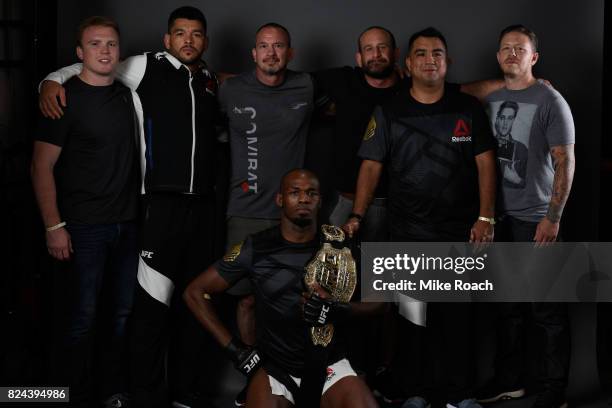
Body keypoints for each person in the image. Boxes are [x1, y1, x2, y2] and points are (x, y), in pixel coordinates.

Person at [39, 6, 221, 408]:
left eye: (195, 34)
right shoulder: (143, 67)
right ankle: (140, 395)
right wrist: (51, 79)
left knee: (190, 303)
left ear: (204, 41)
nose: (187, 40)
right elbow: (94, 67)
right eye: (179, 33)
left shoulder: (208, 80)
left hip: (198, 212)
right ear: (166, 39)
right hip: (156, 208)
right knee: (141, 311)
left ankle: (183, 393)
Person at [343, 27, 497, 408]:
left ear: (448, 62)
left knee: (457, 322)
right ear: (408, 64)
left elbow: (486, 166)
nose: (431, 59)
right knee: (413, 320)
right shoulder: (389, 111)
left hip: (460, 234)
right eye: (422, 54)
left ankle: (459, 396)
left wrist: (486, 218)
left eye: (438, 53)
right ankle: (415, 392)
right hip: (408, 232)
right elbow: (370, 167)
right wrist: (357, 215)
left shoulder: (468, 109)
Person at [184, 169, 379, 408]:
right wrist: (237, 352)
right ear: (280, 199)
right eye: (295, 192)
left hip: (329, 364)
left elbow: (382, 304)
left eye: (311, 193)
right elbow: (195, 292)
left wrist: (338, 309)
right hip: (276, 369)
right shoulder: (255, 247)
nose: (304, 199)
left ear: (320, 201)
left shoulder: (340, 244)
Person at [31, 16, 139, 408]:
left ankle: (110, 392)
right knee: (81, 320)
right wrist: (53, 226)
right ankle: (68, 396)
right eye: (95, 44)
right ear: (79, 54)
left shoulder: (129, 94)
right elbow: (40, 166)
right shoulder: (62, 98)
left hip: (127, 225)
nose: (105, 50)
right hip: (82, 228)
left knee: (121, 315)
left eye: (110, 43)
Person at [477, 25, 575, 408]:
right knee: (508, 309)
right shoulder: (490, 95)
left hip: (536, 221)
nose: (512, 54)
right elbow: (452, 89)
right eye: (506, 49)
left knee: (547, 311)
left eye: (521, 49)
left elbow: (565, 162)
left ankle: (554, 391)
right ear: (498, 56)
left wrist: (553, 218)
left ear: (534, 57)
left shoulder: (551, 99)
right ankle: (510, 380)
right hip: (498, 220)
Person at [219, 22, 314, 405]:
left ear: (290, 53)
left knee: (294, 301)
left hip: (293, 214)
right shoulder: (230, 89)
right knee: (246, 300)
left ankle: (292, 375)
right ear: (253, 53)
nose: (271, 53)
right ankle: (255, 373)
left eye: (279, 47)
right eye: (263, 46)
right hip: (244, 211)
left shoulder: (307, 85)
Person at [493, 100, 528, 188]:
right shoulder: (485, 144)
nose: (505, 123)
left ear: (513, 121)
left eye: (509, 118)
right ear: (497, 119)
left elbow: (533, 185)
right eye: (502, 117)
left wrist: (517, 180)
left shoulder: (522, 149)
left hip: (515, 198)